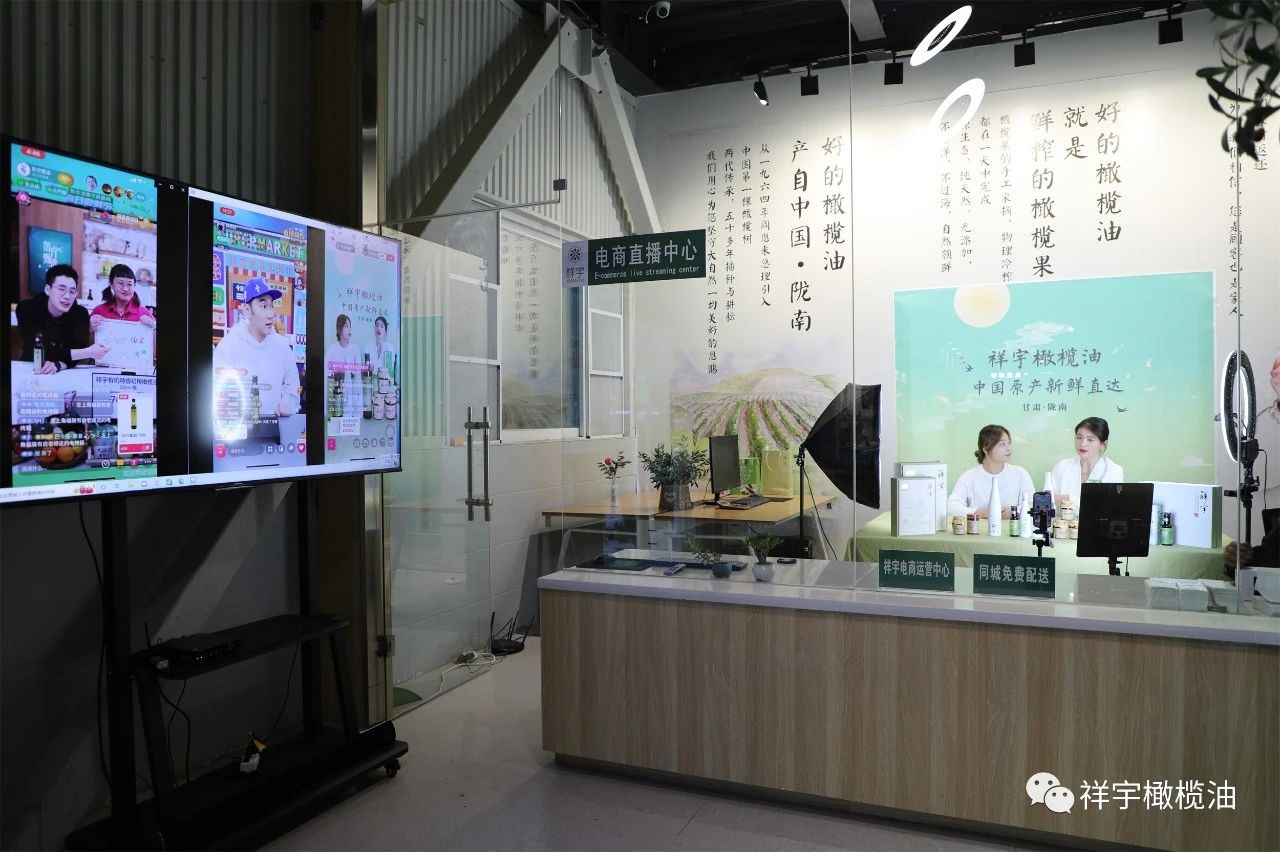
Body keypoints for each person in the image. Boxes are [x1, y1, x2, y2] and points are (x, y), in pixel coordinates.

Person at [212, 278, 300, 418]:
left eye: (271, 306)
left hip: (276, 428)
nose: (271, 314)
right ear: (248, 310)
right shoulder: (228, 346)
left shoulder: (282, 346)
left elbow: (292, 384)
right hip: (238, 428)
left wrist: (287, 403)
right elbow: (218, 391)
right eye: (263, 306)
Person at [15, 264, 110, 373]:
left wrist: (59, 365)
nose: (67, 296)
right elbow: (39, 349)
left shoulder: (81, 314)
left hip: (64, 371)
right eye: (61, 289)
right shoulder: (27, 308)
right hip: (30, 367)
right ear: (48, 289)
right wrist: (88, 352)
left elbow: (77, 350)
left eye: (72, 291)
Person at [946, 424, 1035, 519]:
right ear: (985, 448)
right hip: (980, 528)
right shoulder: (969, 476)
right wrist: (975, 512)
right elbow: (951, 506)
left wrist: (1016, 511)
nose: (1008, 448)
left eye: (1009, 443)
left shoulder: (1020, 474)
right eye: (1002, 444)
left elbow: (1033, 505)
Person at [1049, 417, 1124, 507]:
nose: (1083, 444)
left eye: (1090, 439)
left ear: (1103, 444)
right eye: (1079, 437)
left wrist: (1068, 498)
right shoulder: (1062, 466)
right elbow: (1049, 501)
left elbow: (1106, 505)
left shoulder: (1113, 470)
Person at [90, 264, 156, 330]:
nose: (125, 289)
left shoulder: (144, 313)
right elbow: (88, 335)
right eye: (121, 283)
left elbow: (155, 335)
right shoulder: (99, 310)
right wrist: (90, 328)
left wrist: (153, 329)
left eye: (129, 284)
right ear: (111, 285)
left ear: (134, 286)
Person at [324, 313, 362, 415]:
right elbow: (326, 376)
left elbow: (358, 378)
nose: (349, 329)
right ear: (339, 330)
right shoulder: (331, 350)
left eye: (350, 326)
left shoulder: (355, 349)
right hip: (336, 398)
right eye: (346, 326)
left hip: (351, 398)